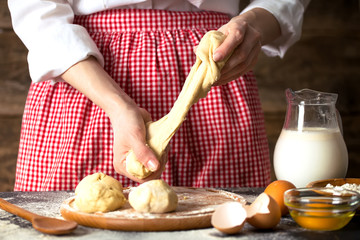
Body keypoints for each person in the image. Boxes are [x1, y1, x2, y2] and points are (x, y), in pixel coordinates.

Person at [8, 0, 310, 191]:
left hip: (212, 69)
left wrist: (253, 23)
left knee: (226, 221)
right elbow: (38, 14)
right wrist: (117, 105)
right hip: (87, 79)